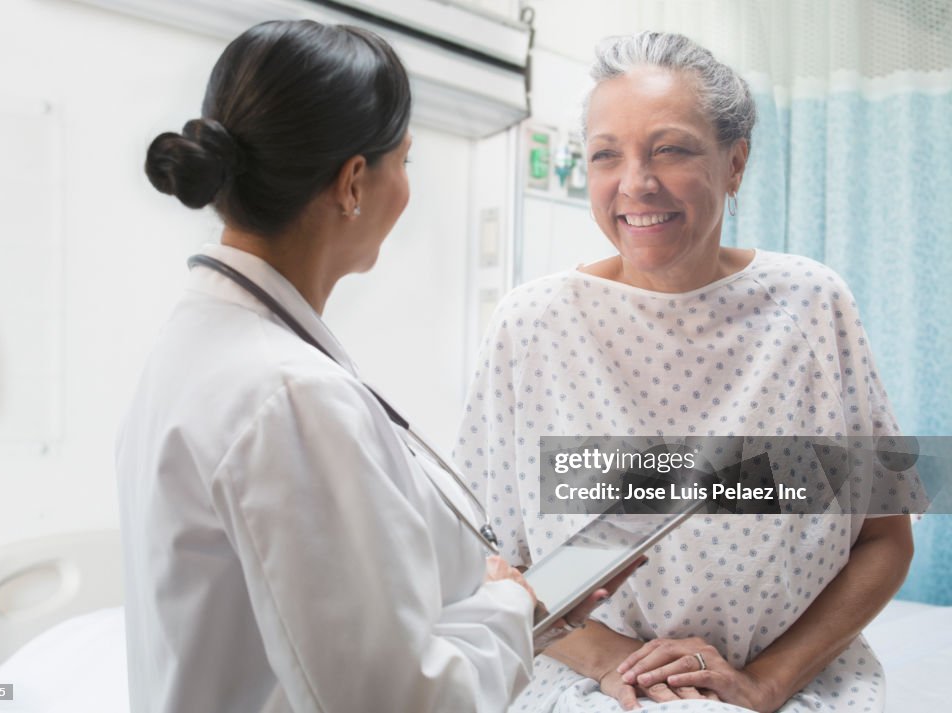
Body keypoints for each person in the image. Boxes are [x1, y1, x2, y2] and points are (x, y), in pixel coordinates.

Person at [116, 19, 636, 713]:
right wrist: (517, 603)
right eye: (406, 161)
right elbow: (396, 700)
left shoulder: (204, 340)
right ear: (354, 181)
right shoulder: (288, 394)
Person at [455, 32, 919, 713]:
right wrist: (617, 663)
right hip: (595, 683)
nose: (635, 183)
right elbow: (485, 561)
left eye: (669, 149)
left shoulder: (812, 305)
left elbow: (884, 537)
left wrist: (766, 680)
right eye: (607, 155)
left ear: (735, 163)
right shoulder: (532, 325)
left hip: (791, 682)